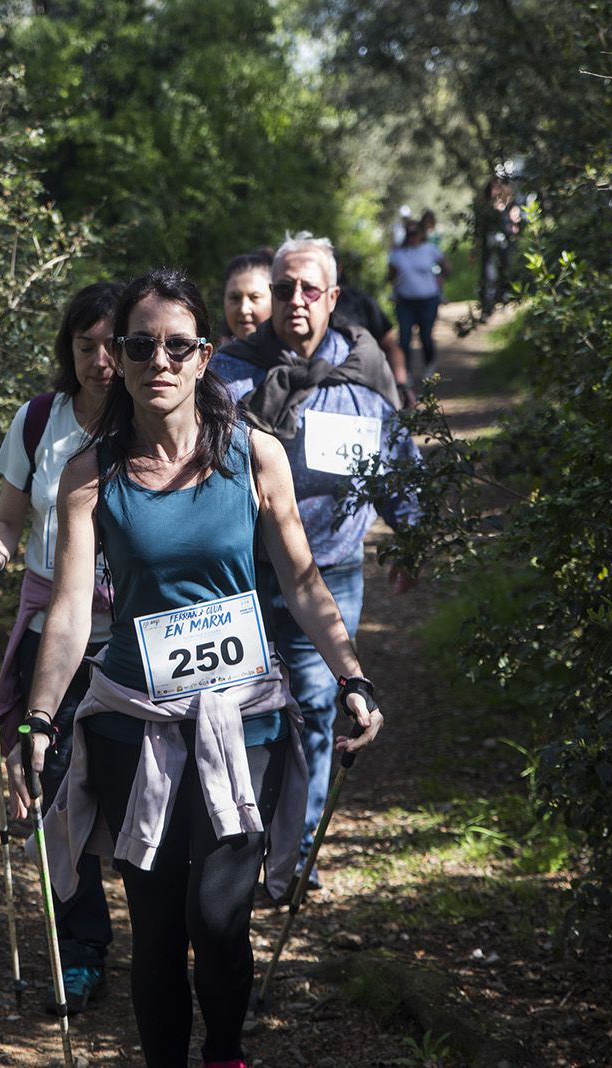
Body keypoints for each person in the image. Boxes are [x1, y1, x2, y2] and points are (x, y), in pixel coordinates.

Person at [16, 268, 385, 1068]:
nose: (159, 360)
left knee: (219, 917)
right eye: (140, 344)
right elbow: (74, 610)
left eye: (177, 346)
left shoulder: (254, 456)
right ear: (116, 353)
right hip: (131, 720)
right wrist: (41, 717)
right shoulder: (91, 472)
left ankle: (223, 1051)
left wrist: (351, 676)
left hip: (240, 717)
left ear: (204, 356)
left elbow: (301, 578)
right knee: (155, 926)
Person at [211, 233, 420, 894]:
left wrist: (412, 534)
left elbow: (398, 465)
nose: (293, 300)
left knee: (316, 708)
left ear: (333, 297)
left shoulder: (362, 373)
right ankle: (238, 850)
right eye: (282, 289)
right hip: (239, 579)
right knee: (241, 715)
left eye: (308, 289)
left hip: (328, 576)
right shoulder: (226, 373)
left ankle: (294, 859)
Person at [0, 281, 123, 1014]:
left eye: (114, 343)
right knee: (52, 791)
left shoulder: (155, 418)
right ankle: (82, 951)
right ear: (69, 349)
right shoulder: (37, 422)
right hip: (50, 624)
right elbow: (7, 518)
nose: (101, 358)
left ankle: (174, 945)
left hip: (131, 636)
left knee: (132, 795)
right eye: (86, 344)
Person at [331, 249, 415, 408]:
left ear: (338, 269)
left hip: (366, 396)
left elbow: (390, 346)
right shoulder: (291, 307)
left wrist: (402, 385)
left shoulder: (360, 302)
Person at [387, 218, 452, 377]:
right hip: (405, 301)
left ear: (421, 234)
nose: (412, 237)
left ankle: (429, 364)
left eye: (415, 233)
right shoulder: (398, 254)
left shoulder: (430, 250)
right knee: (404, 337)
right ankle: (405, 371)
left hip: (428, 300)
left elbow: (447, 268)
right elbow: (391, 276)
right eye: (409, 233)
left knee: (425, 336)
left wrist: (440, 281)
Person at [477, 177, 525, 319]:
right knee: (489, 276)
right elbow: (479, 229)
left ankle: (504, 300)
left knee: (507, 270)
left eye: (497, 188)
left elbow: (517, 225)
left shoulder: (511, 205)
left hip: (506, 246)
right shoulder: (485, 208)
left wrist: (514, 221)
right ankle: (487, 307)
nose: (495, 191)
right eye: (493, 188)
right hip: (489, 247)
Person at [220, 248, 274, 342]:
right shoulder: (217, 356)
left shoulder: (299, 353)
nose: (244, 310)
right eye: (235, 298)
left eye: (255, 297)